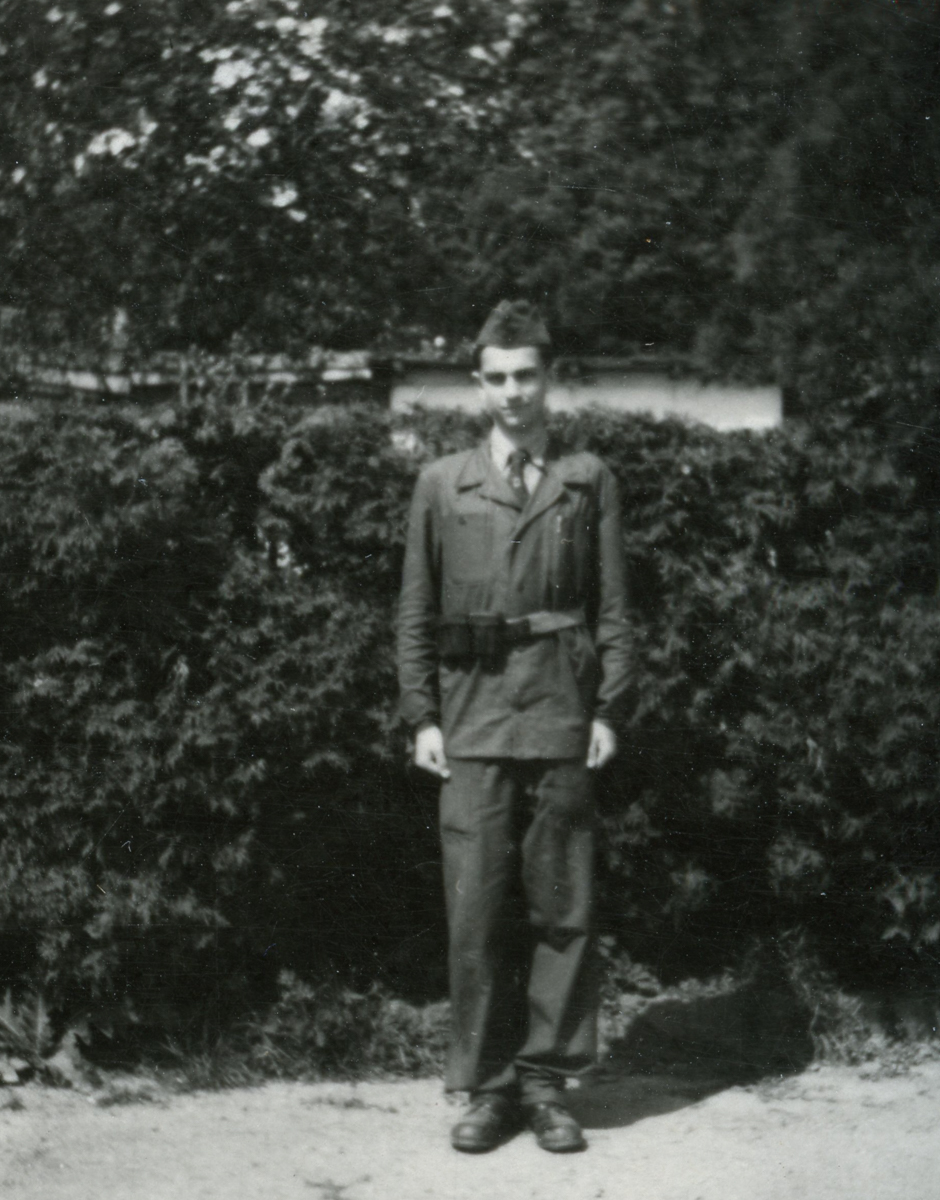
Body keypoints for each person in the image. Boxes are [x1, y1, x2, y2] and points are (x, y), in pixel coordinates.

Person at [396, 300, 635, 1154]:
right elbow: (415, 611)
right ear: (478, 384)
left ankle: (545, 1086)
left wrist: (610, 708)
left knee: (563, 909)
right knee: (476, 911)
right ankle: (488, 1088)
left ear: (548, 378)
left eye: (526, 375)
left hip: (561, 713)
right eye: (496, 378)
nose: (512, 393)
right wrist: (421, 715)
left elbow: (613, 608)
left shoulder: (586, 479)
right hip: (471, 720)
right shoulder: (443, 483)